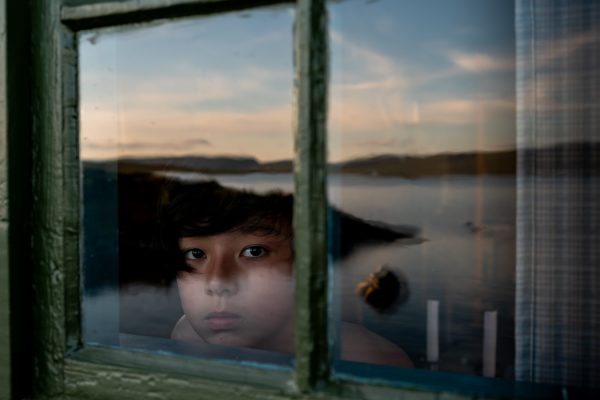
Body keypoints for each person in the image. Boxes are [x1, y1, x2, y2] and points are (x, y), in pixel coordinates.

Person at [159, 179, 413, 367]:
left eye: (254, 252)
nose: (218, 281)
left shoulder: (365, 360)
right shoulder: (186, 335)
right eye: (195, 254)